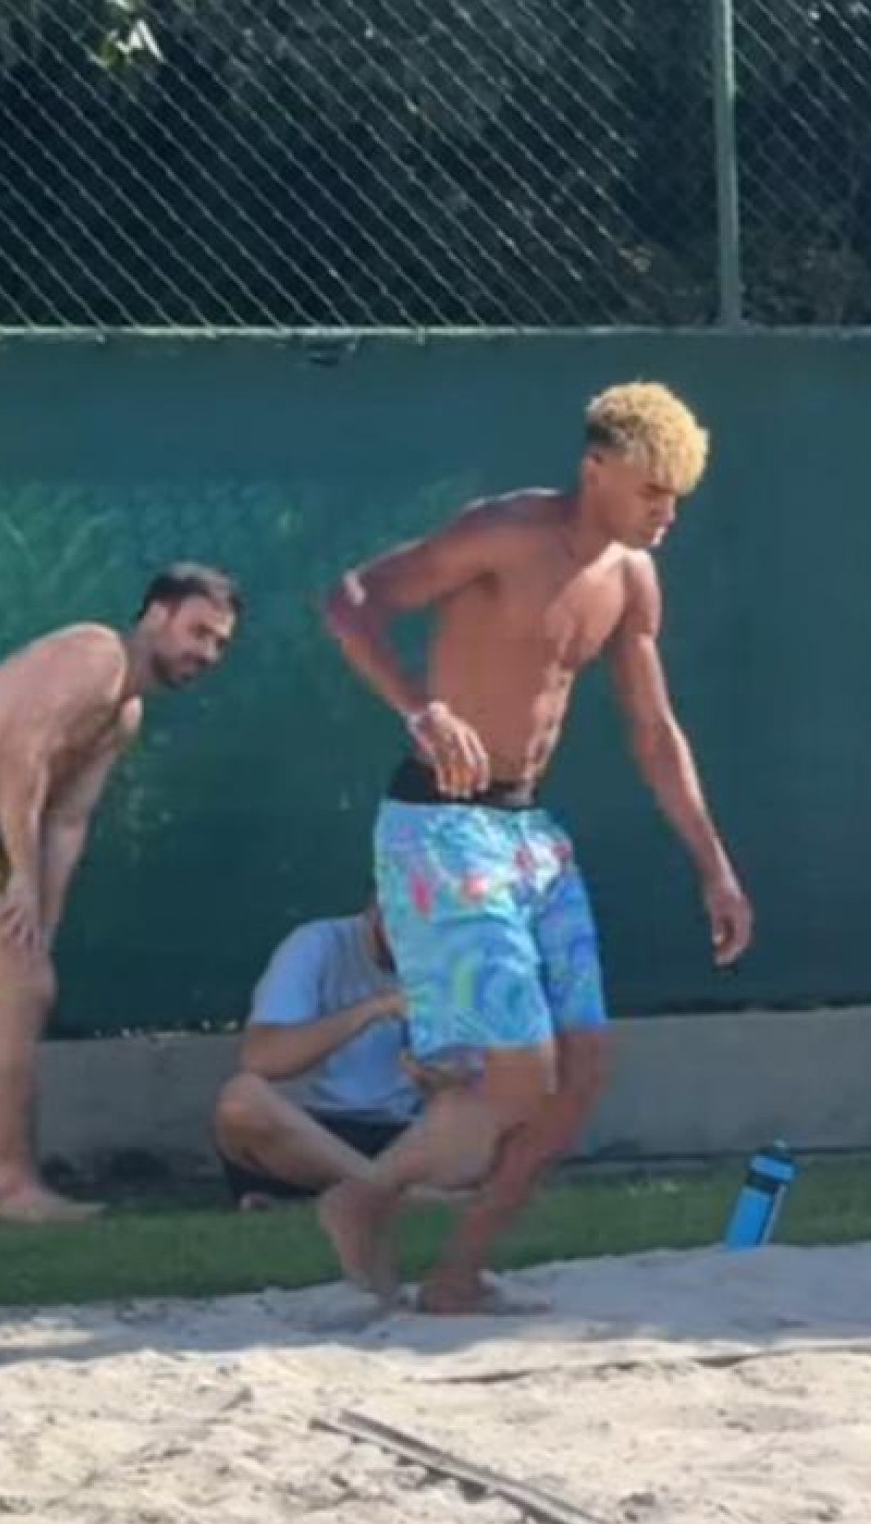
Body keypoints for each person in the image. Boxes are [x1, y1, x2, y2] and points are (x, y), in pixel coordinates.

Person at [316, 380, 753, 1313]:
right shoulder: (505, 532)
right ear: (596, 469)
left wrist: (714, 865)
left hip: (528, 833)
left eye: (677, 496)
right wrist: (420, 709)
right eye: (651, 491)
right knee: (521, 1076)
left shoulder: (631, 577)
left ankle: (458, 1273)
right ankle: (364, 1198)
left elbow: (653, 731)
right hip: (442, 822)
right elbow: (352, 601)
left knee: (582, 1070)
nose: (667, 513)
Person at [0, 563, 242, 1223]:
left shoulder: (124, 714)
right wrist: (22, 879)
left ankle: (10, 1179)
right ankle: (12, 1186)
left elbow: (67, 822)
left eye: (219, 643)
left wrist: (43, 923)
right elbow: (21, 755)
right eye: (198, 631)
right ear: (156, 614)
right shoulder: (96, 654)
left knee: (12, 985)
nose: (207, 653)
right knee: (21, 987)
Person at [212, 900, 420, 1209]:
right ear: (377, 907)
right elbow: (261, 1058)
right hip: (308, 1138)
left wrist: (441, 1078)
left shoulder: (461, 957)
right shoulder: (316, 945)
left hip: (406, 1132)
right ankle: (399, 1197)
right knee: (240, 1101)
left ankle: (338, 1200)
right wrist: (374, 1009)